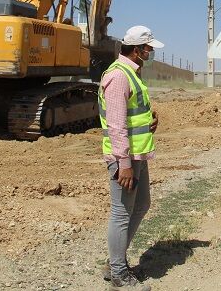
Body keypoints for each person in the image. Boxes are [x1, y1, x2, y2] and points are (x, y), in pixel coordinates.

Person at [98, 25, 163, 290]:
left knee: (141, 204)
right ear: (136, 50)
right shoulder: (119, 76)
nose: (151, 52)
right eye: (148, 48)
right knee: (122, 213)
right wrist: (123, 163)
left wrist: (149, 121)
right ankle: (118, 275)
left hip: (138, 154)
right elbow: (115, 125)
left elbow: (130, 115)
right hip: (124, 158)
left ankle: (115, 261)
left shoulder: (132, 73)